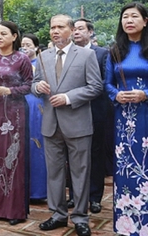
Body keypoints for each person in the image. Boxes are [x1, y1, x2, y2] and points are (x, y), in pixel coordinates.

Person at [32, 14, 102, 236]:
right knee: (54, 172)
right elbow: (33, 85)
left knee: (80, 172)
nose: (55, 31)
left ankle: (80, 217)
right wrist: (38, 87)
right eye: (52, 27)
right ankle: (58, 215)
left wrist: (68, 98)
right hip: (51, 124)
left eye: (60, 27)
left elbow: (95, 87)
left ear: (71, 30)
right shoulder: (43, 56)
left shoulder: (86, 55)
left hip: (78, 122)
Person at [0, 21, 33, 225]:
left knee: (14, 157)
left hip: (15, 113)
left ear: (14, 36)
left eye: (4, 33)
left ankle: (15, 210)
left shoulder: (22, 59)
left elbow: (29, 85)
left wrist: (8, 91)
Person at [104, 2, 148, 236]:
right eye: (124, 17)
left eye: (134, 16)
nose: (128, 20)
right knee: (126, 167)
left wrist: (145, 94)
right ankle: (127, 223)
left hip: (147, 114)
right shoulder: (115, 51)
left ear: (145, 21)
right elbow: (107, 84)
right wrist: (117, 95)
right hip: (124, 119)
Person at [71, 18, 114, 214]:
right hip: (73, 110)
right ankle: (74, 195)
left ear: (90, 33)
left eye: (81, 29)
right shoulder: (68, 53)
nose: (76, 32)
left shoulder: (103, 53)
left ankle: (95, 197)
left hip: (96, 110)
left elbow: (106, 82)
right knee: (74, 155)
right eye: (74, 29)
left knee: (95, 153)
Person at [21, 33, 47, 202]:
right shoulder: (18, 63)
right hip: (20, 104)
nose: (25, 47)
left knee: (37, 146)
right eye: (22, 44)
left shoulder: (43, 63)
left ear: (36, 47)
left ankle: (38, 191)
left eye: (28, 44)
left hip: (37, 107)